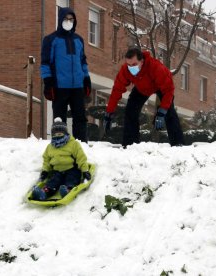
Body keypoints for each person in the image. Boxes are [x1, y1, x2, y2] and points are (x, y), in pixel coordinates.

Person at [103, 47, 185, 147]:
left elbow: (168, 90)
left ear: (142, 61)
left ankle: (178, 143)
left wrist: (162, 111)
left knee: (169, 112)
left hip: (160, 86)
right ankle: (130, 144)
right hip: (141, 88)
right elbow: (116, 90)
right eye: (128, 65)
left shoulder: (156, 67)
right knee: (130, 110)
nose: (131, 68)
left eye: (134, 65)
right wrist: (109, 112)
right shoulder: (125, 70)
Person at [40, 7, 91, 142]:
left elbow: (83, 61)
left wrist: (86, 79)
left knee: (80, 117)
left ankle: (81, 144)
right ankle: (59, 145)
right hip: (59, 86)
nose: (68, 21)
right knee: (59, 120)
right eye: (66, 19)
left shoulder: (79, 40)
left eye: (71, 19)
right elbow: (45, 63)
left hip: (77, 87)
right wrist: (48, 82)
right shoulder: (51, 40)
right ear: (60, 19)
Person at [32, 118, 91, 201]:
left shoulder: (73, 144)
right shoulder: (50, 147)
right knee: (53, 181)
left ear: (65, 133)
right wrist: (45, 171)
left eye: (60, 134)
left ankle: (67, 190)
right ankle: (45, 192)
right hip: (57, 171)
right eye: (56, 134)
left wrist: (85, 171)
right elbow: (46, 160)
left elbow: (81, 158)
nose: (58, 136)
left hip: (72, 169)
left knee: (71, 179)